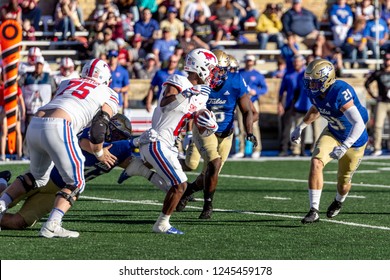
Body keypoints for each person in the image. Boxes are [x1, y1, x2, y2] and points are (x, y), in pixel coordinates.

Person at [0, 58, 120, 238]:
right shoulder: (108, 92)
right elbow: (99, 127)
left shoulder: (67, 82)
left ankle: (1, 204)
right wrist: (99, 152)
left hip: (36, 123)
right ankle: (53, 224)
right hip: (60, 125)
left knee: (36, 177)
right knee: (77, 182)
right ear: (106, 79)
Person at [0, 114, 169, 230]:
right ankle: (2, 184)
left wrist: (158, 159)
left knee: (20, 222)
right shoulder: (95, 135)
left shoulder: (120, 150)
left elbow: (136, 163)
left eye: (121, 137)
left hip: (58, 192)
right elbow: (84, 143)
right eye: (117, 135)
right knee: (6, 201)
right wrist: (136, 141)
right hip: (46, 174)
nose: (117, 139)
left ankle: (3, 184)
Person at [137, 48, 218, 234]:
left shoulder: (202, 93)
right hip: (156, 140)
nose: (213, 74)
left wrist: (209, 125)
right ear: (200, 67)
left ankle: (138, 168)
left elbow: (198, 119)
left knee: (173, 186)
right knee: (180, 185)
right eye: (211, 69)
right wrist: (187, 93)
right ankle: (162, 224)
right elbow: (165, 105)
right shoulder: (178, 80)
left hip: (170, 144)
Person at [177, 49, 257, 219]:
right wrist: (185, 132)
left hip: (226, 133)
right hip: (204, 130)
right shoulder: (198, 81)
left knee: (211, 172)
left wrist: (249, 132)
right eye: (214, 69)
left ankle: (188, 190)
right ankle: (208, 205)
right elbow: (185, 108)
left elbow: (248, 110)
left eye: (220, 70)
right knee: (213, 162)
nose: (216, 73)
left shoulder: (236, 81)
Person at [290, 59, 369, 223]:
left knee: (344, 182)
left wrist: (346, 145)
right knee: (316, 162)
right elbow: (316, 108)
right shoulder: (317, 92)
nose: (311, 86)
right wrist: (301, 126)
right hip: (333, 132)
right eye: (309, 82)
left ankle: (339, 201)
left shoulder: (340, 91)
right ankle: (314, 210)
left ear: (327, 80)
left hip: (354, 139)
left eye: (315, 83)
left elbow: (359, 123)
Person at [235, 54, 267, 158]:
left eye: (251, 61)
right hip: (241, 101)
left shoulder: (257, 74)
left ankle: (256, 149)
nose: (249, 62)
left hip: (253, 101)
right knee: (240, 126)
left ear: (253, 62)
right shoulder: (240, 73)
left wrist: (255, 91)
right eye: (248, 60)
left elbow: (264, 88)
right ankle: (241, 149)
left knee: (254, 126)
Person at [277, 54, 306, 156]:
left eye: (298, 61)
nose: (296, 63)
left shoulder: (306, 73)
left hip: (302, 102)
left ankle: (301, 150)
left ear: (302, 62)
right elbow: (281, 90)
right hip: (290, 101)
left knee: (302, 126)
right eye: (295, 61)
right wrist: (280, 103)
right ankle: (284, 149)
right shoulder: (288, 74)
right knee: (287, 126)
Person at [364, 52, 390, 156]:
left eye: (388, 59)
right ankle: (377, 148)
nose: (387, 61)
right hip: (382, 102)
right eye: (386, 59)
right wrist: (374, 95)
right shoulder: (379, 73)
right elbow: (366, 83)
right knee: (378, 126)